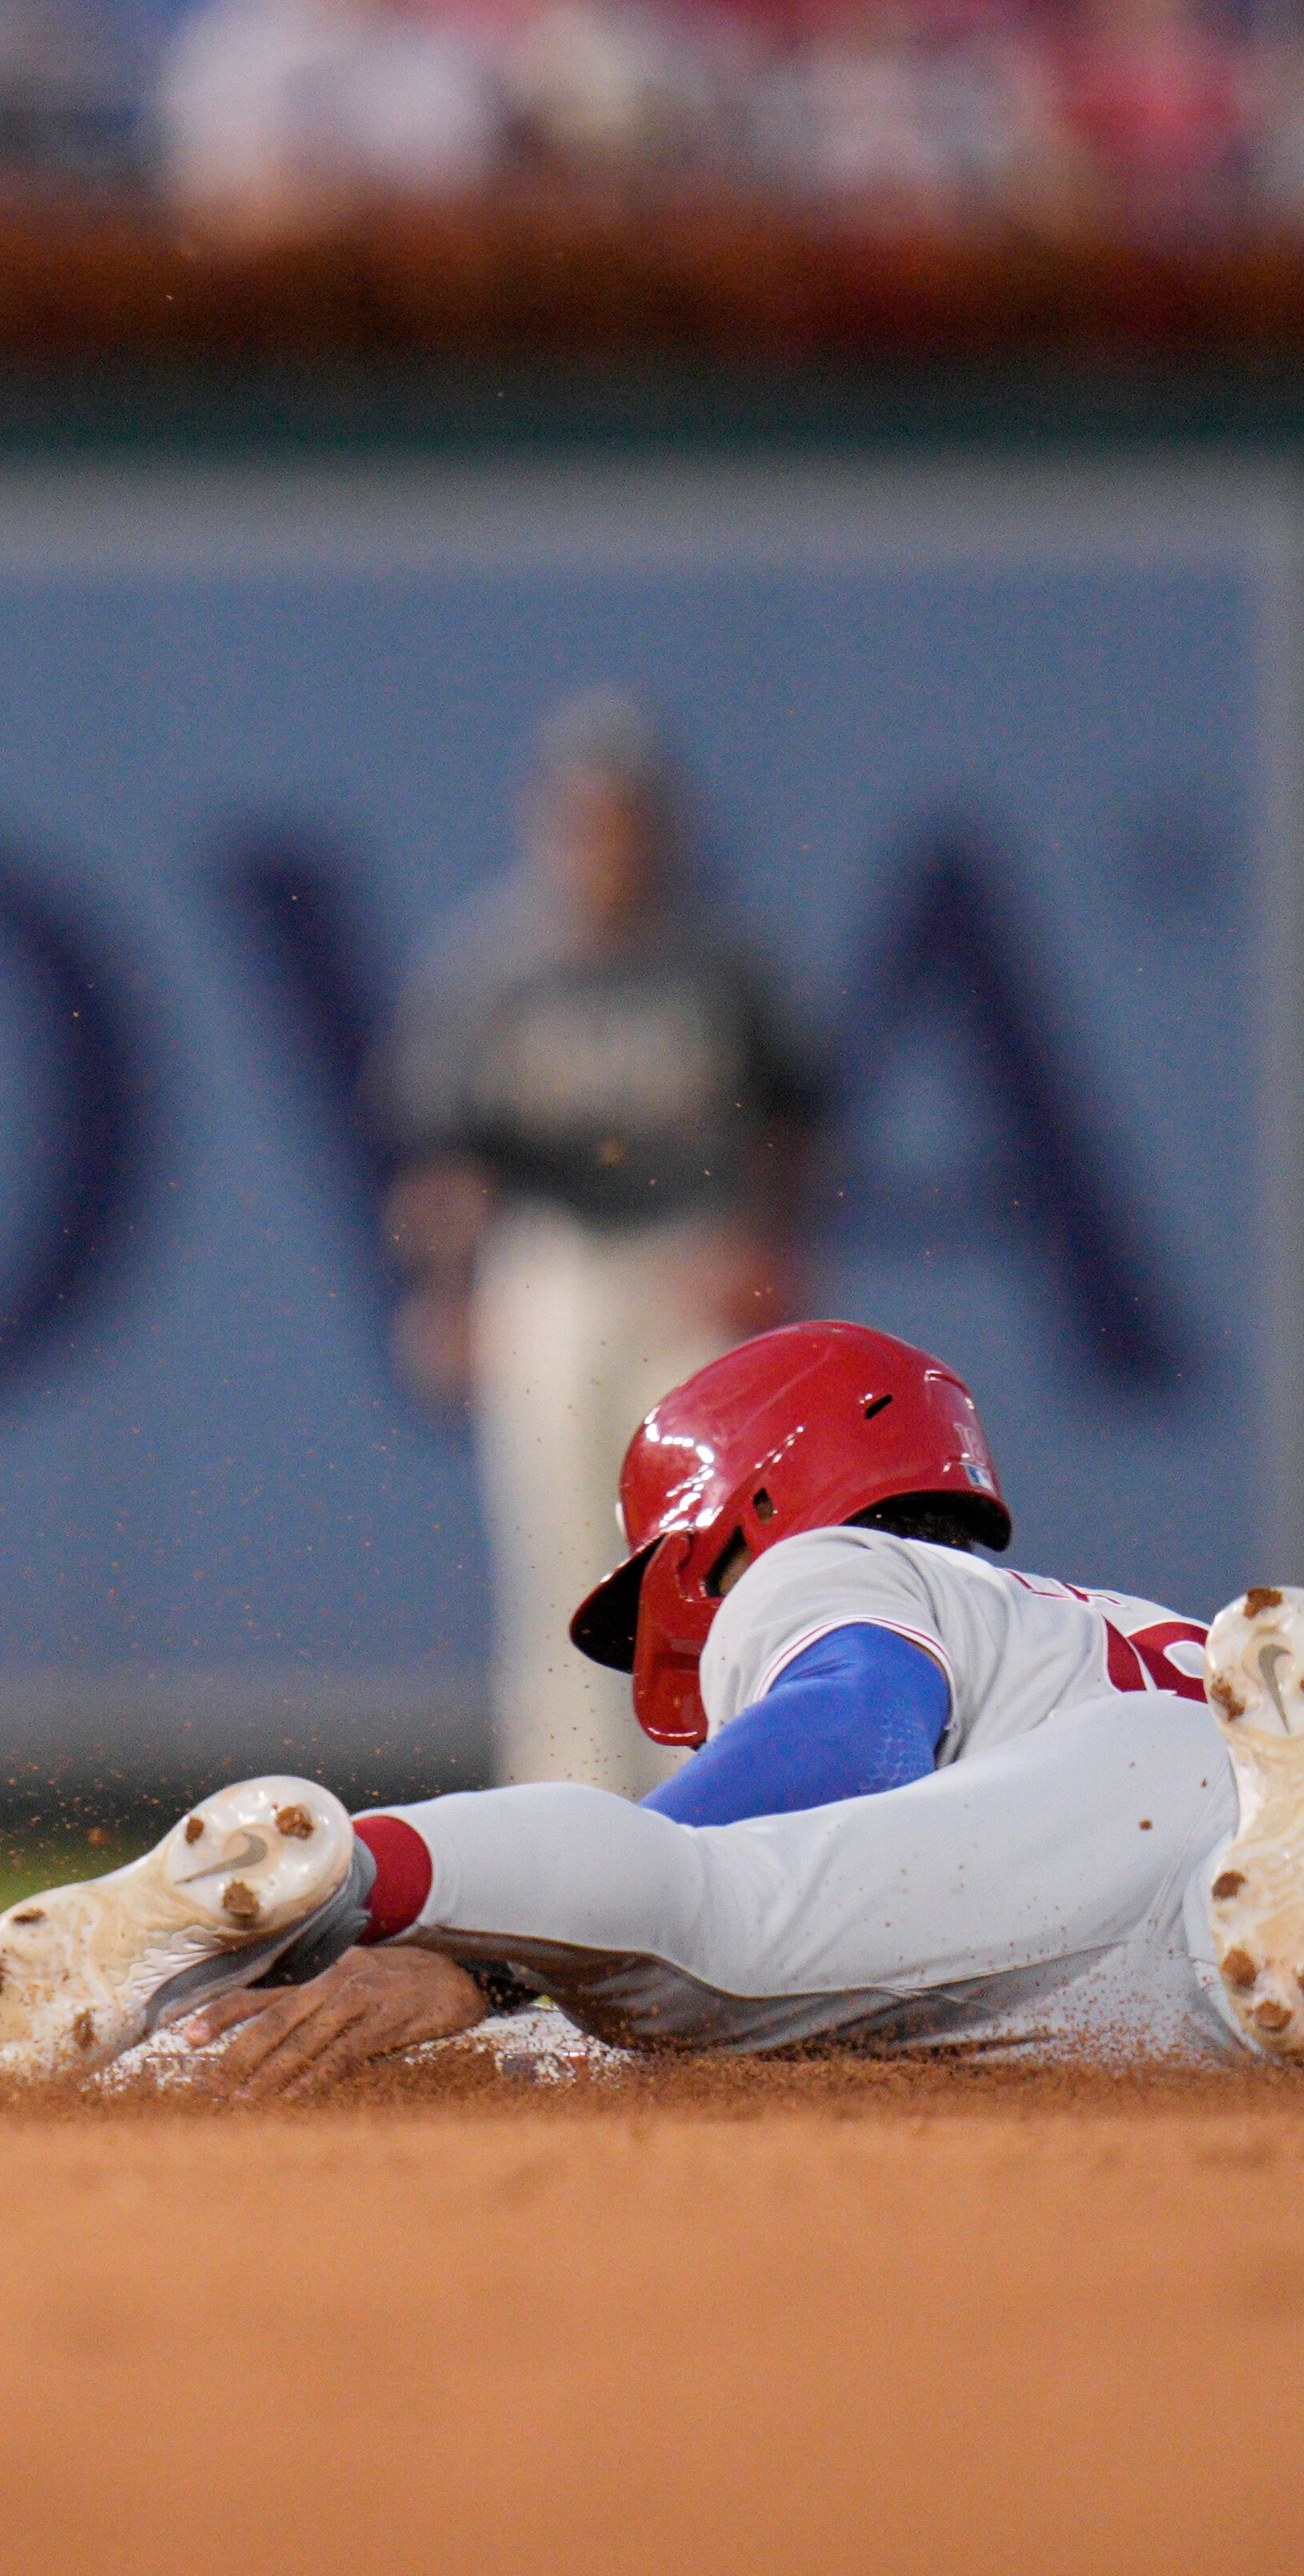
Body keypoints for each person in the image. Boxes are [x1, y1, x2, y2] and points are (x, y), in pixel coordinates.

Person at [0, 1323, 1304, 2094]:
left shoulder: (834, 1574)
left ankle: (368, 1854)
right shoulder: (1110, 1611)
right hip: (1278, 1921)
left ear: (738, 1506)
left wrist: (458, 1946)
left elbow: (829, 1755)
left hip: (1071, 1833)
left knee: (693, 1926)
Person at [375, 686, 809, 1796]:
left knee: (703, 1550)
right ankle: (566, 1811)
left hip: (686, 1262)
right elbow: (447, 1153)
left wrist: (771, 1244)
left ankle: (711, 1800)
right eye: (588, 817)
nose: (607, 843)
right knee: (562, 1561)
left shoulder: (718, 960)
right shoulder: (498, 963)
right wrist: (449, 1290)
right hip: (554, 1260)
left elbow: (793, 1119)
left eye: (626, 817)